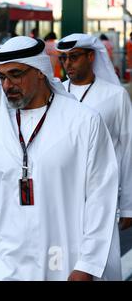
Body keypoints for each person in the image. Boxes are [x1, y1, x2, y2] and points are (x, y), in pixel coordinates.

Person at [0, 36, 121, 281]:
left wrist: (88, 264)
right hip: (1, 268)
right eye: (1, 77)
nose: (7, 85)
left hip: (63, 265)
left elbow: (100, 197)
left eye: (16, 74)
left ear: (41, 72)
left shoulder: (83, 122)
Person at [56, 33, 132, 232]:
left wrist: (128, 206)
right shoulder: (56, 94)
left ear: (91, 57)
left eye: (74, 57)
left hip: (102, 194)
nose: (68, 64)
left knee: (104, 259)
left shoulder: (116, 95)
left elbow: (128, 150)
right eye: (63, 58)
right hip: (61, 195)